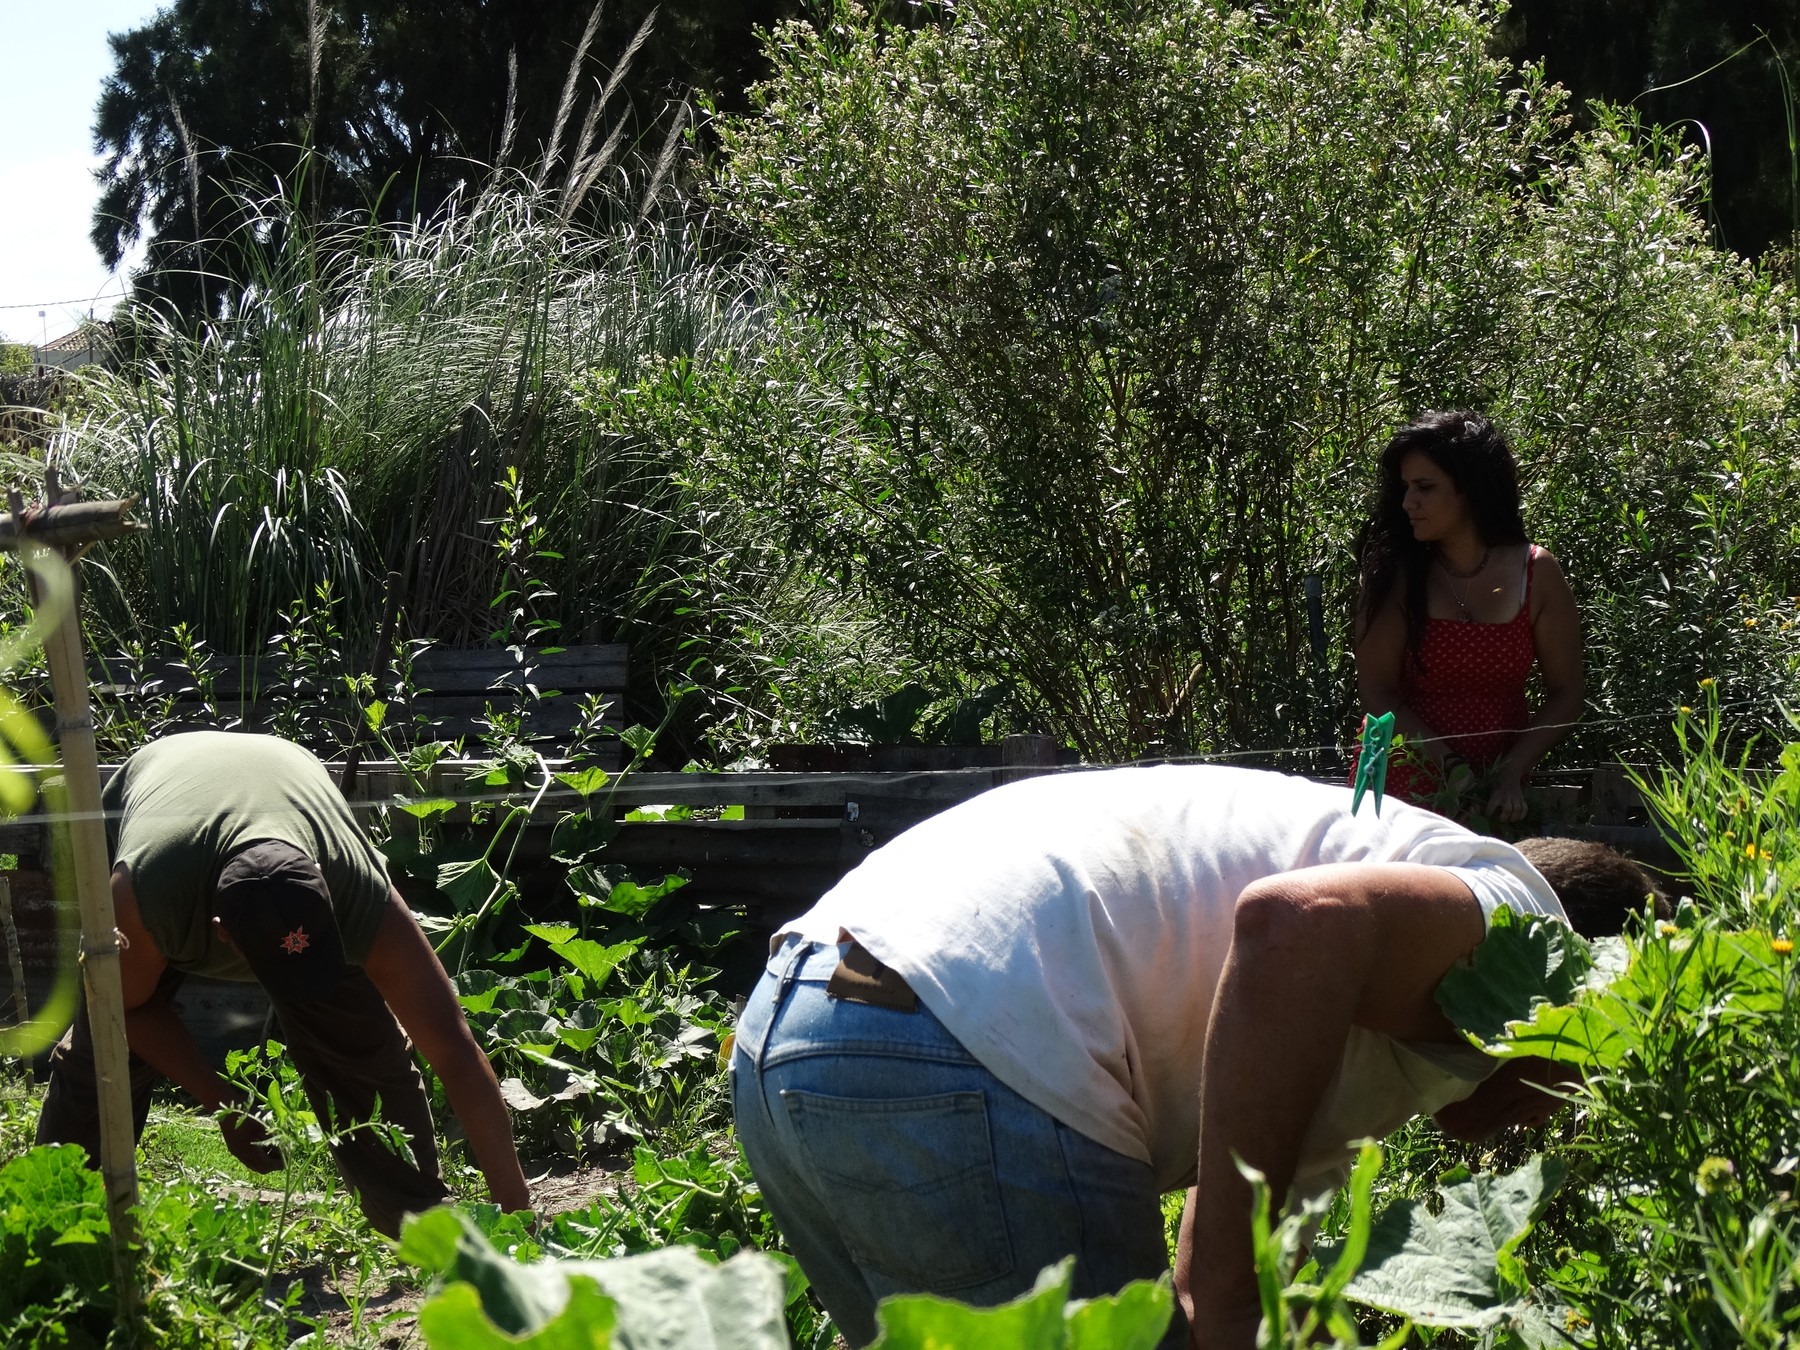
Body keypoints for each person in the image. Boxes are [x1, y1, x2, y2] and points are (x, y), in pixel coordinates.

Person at [729, 765, 1661, 1349]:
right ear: (1599, 986)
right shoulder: (1528, 923)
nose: (1567, 1111)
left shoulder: (1378, 992)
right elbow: (1299, 924)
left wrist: (1251, 1293)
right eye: (1602, 1069)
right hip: (966, 1036)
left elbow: (1268, 1193)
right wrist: (1221, 1291)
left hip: (800, 1021)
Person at [36, 731, 532, 1236]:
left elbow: (454, 1048)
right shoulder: (144, 899)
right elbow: (123, 1008)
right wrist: (224, 1105)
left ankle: (419, 1229)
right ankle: (61, 1230)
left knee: (360, 1051)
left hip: (287, 769)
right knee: (103, 1053)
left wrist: (520, 1221)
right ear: (221, 935)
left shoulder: (355, 892)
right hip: (160, 793)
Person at [1352, 410, 1582, 821]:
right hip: (1400, 779)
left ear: (1472, 489)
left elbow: (1567, 693)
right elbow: (1377, 691)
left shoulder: (1536, 572)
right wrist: (1450, 765)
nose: (1408, 502)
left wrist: (1510, 771)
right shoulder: (1395, 573)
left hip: (1495, 789)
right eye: (1405, 488)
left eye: (1425, 487)